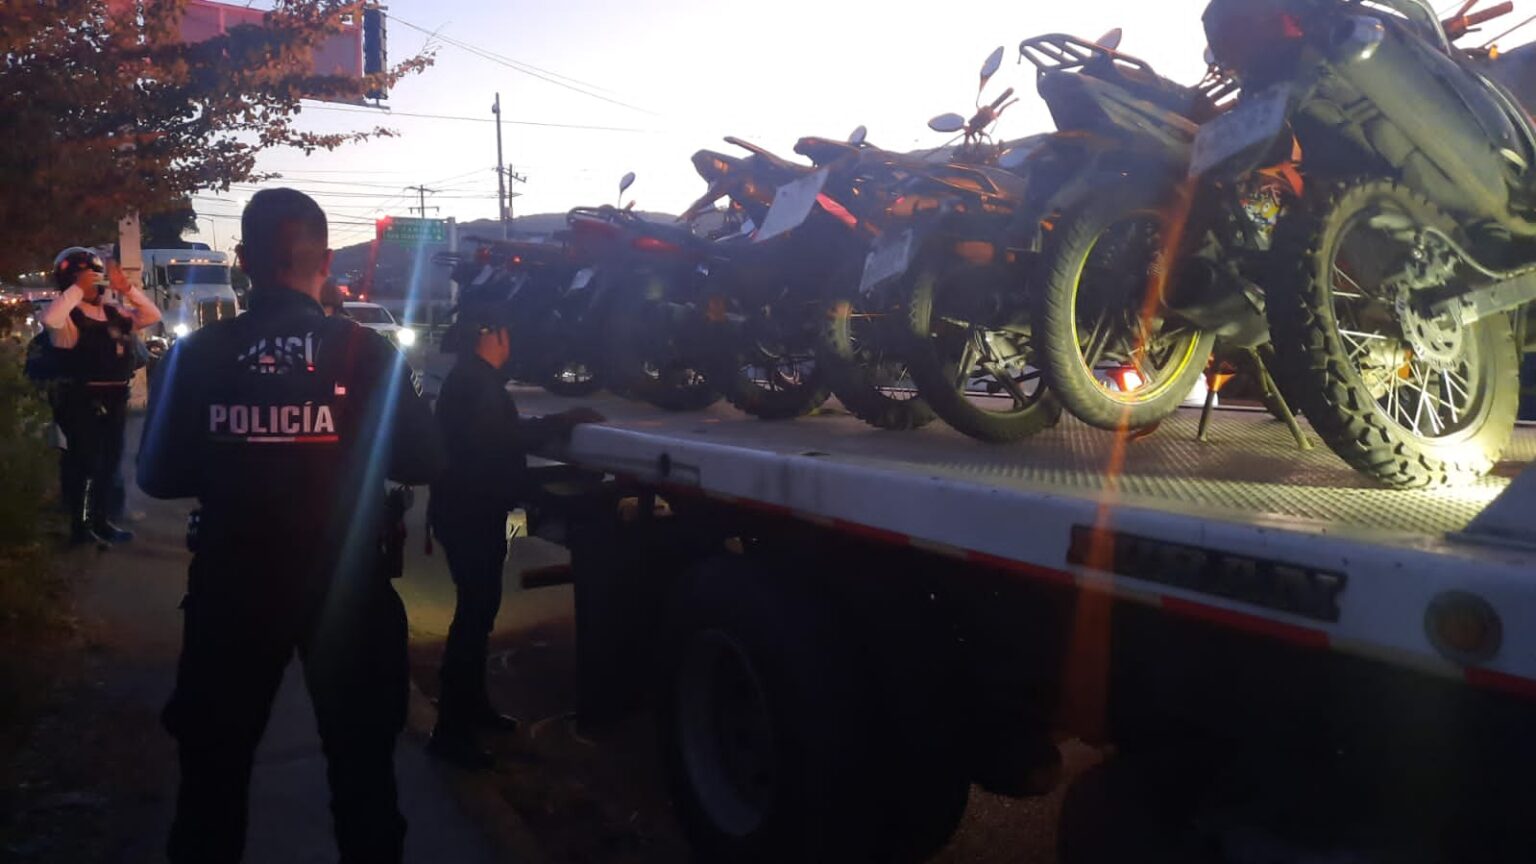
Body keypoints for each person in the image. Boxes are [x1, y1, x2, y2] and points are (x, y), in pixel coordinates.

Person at [138, 188, 443, 863]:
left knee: (212, 785)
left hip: (231, 588)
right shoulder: (366, 352)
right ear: (326, 261)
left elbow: (157, 475)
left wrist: (236, 450)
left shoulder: (196, 355)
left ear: (243, 260)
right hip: (348, 590)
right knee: (364, 781)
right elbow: (424, 459)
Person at [427, 302, 602, 768]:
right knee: (473, 620)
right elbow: (503, 439)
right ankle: (452, 733)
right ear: (493, 335)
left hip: (466, 513)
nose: (510, 342)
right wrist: (563, 422)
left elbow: (499, 435)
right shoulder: (476, 383)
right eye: (506, 333)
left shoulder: (472, 379)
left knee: (478, 615)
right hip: (470, 515)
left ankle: (473, 709)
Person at [40, 247, 161, 546]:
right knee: (86, 463)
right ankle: (80, 527)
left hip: (116, 395)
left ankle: (101, 520)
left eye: (94, 276)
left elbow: (151, 315)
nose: (92, 283)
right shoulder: (69, 315)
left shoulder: (111, 311)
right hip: (82, 398)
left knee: (109, 462)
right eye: (84, 277)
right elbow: (50, 320)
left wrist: (127, 288)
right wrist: (76, 290)